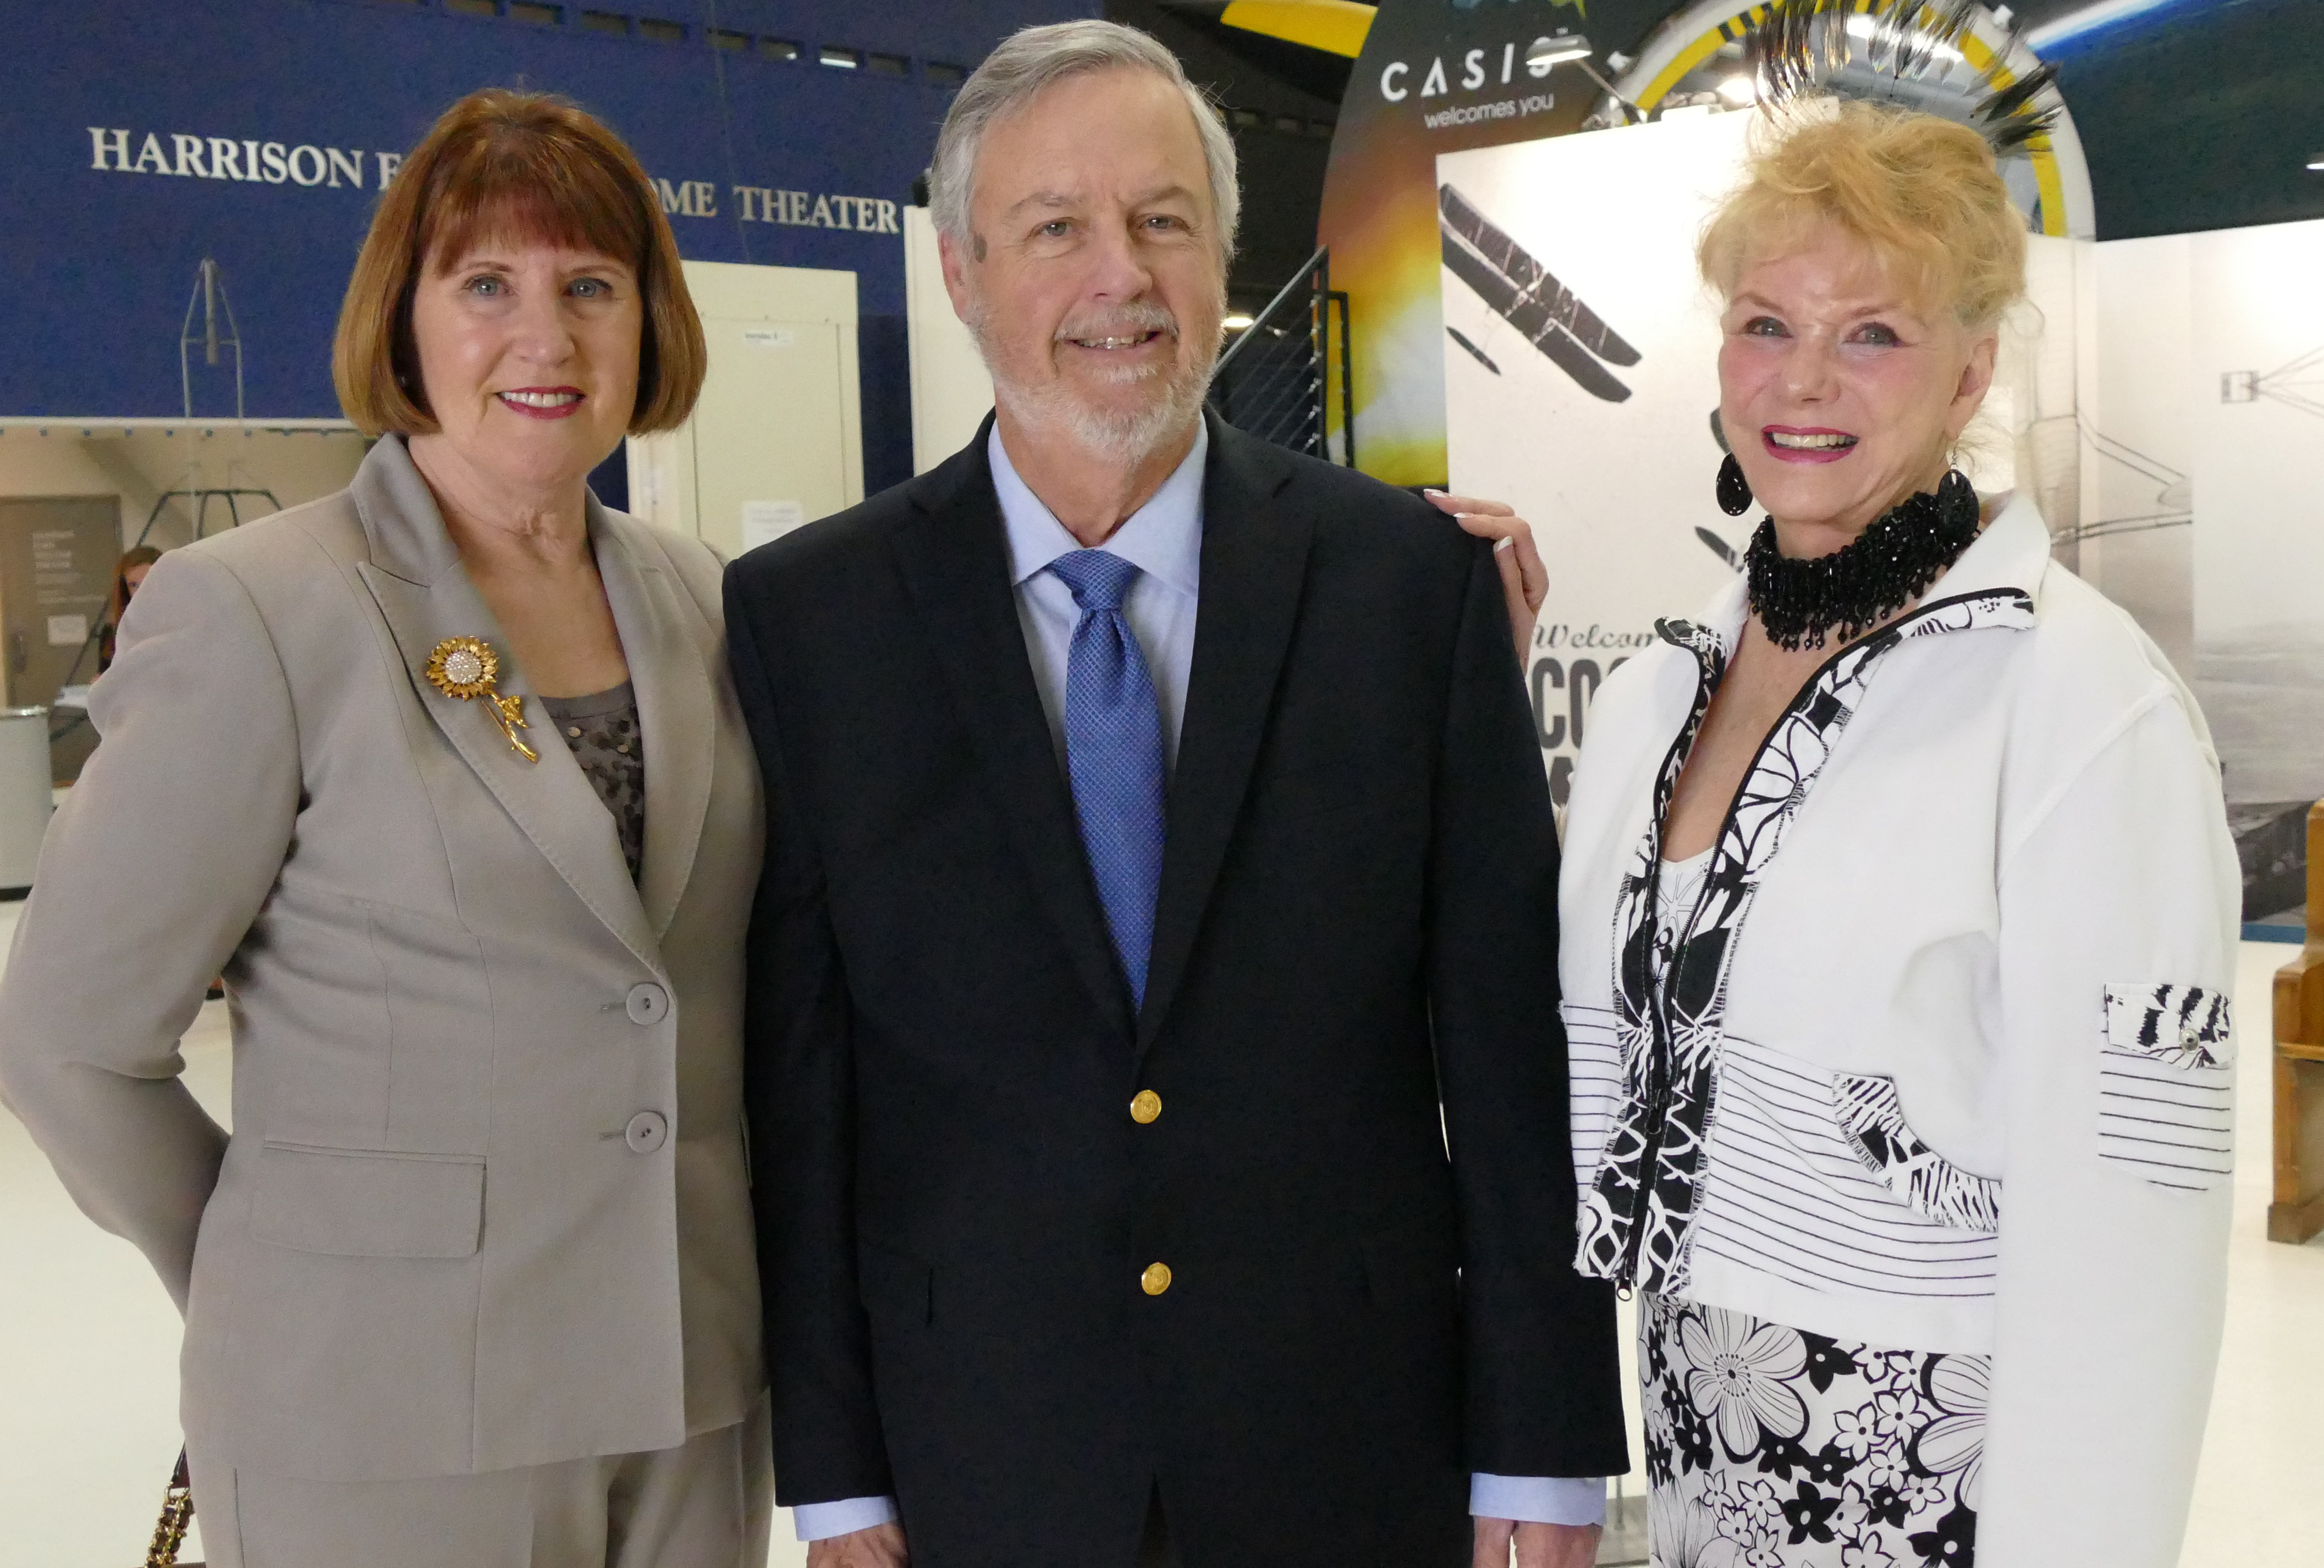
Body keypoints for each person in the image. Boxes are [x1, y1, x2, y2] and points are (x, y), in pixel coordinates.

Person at [724, 21, 1624, 1568]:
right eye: (1054, 228)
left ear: (1223, 252)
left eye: (1162, 221)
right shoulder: (814, 619)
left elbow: (1504, 1044)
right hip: (976, 1452)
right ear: (958, 272)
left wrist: (1541, 1458)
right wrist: (838, 1479)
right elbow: (806, 1088)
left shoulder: (1411, 587)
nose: (1118, 277)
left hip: (1349, 1440)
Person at [0, 90, 770, 1567]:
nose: (544, 338)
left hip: (687, 1393)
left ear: (648, 326)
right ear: (405, 322)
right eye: (486, 285)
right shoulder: (262, 609)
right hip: (381, 1410)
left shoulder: (706, 599)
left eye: (589, 288)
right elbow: (66, 1041)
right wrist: (272, 1257)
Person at [1558, 102, 2239, 1568]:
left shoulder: (2079, 700)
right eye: (1763, 323)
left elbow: (2142, 1229)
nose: (1803, 380)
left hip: (1946, 1476)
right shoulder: (1655, 695)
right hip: (1696, 1444)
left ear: (1970, 372)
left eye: (1871, 333)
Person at [98, 544, 161, 672]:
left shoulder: (182, 626)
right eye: (134, 585)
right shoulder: (113, 632)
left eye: (149, 581)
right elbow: (105, 676)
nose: (142, 591)